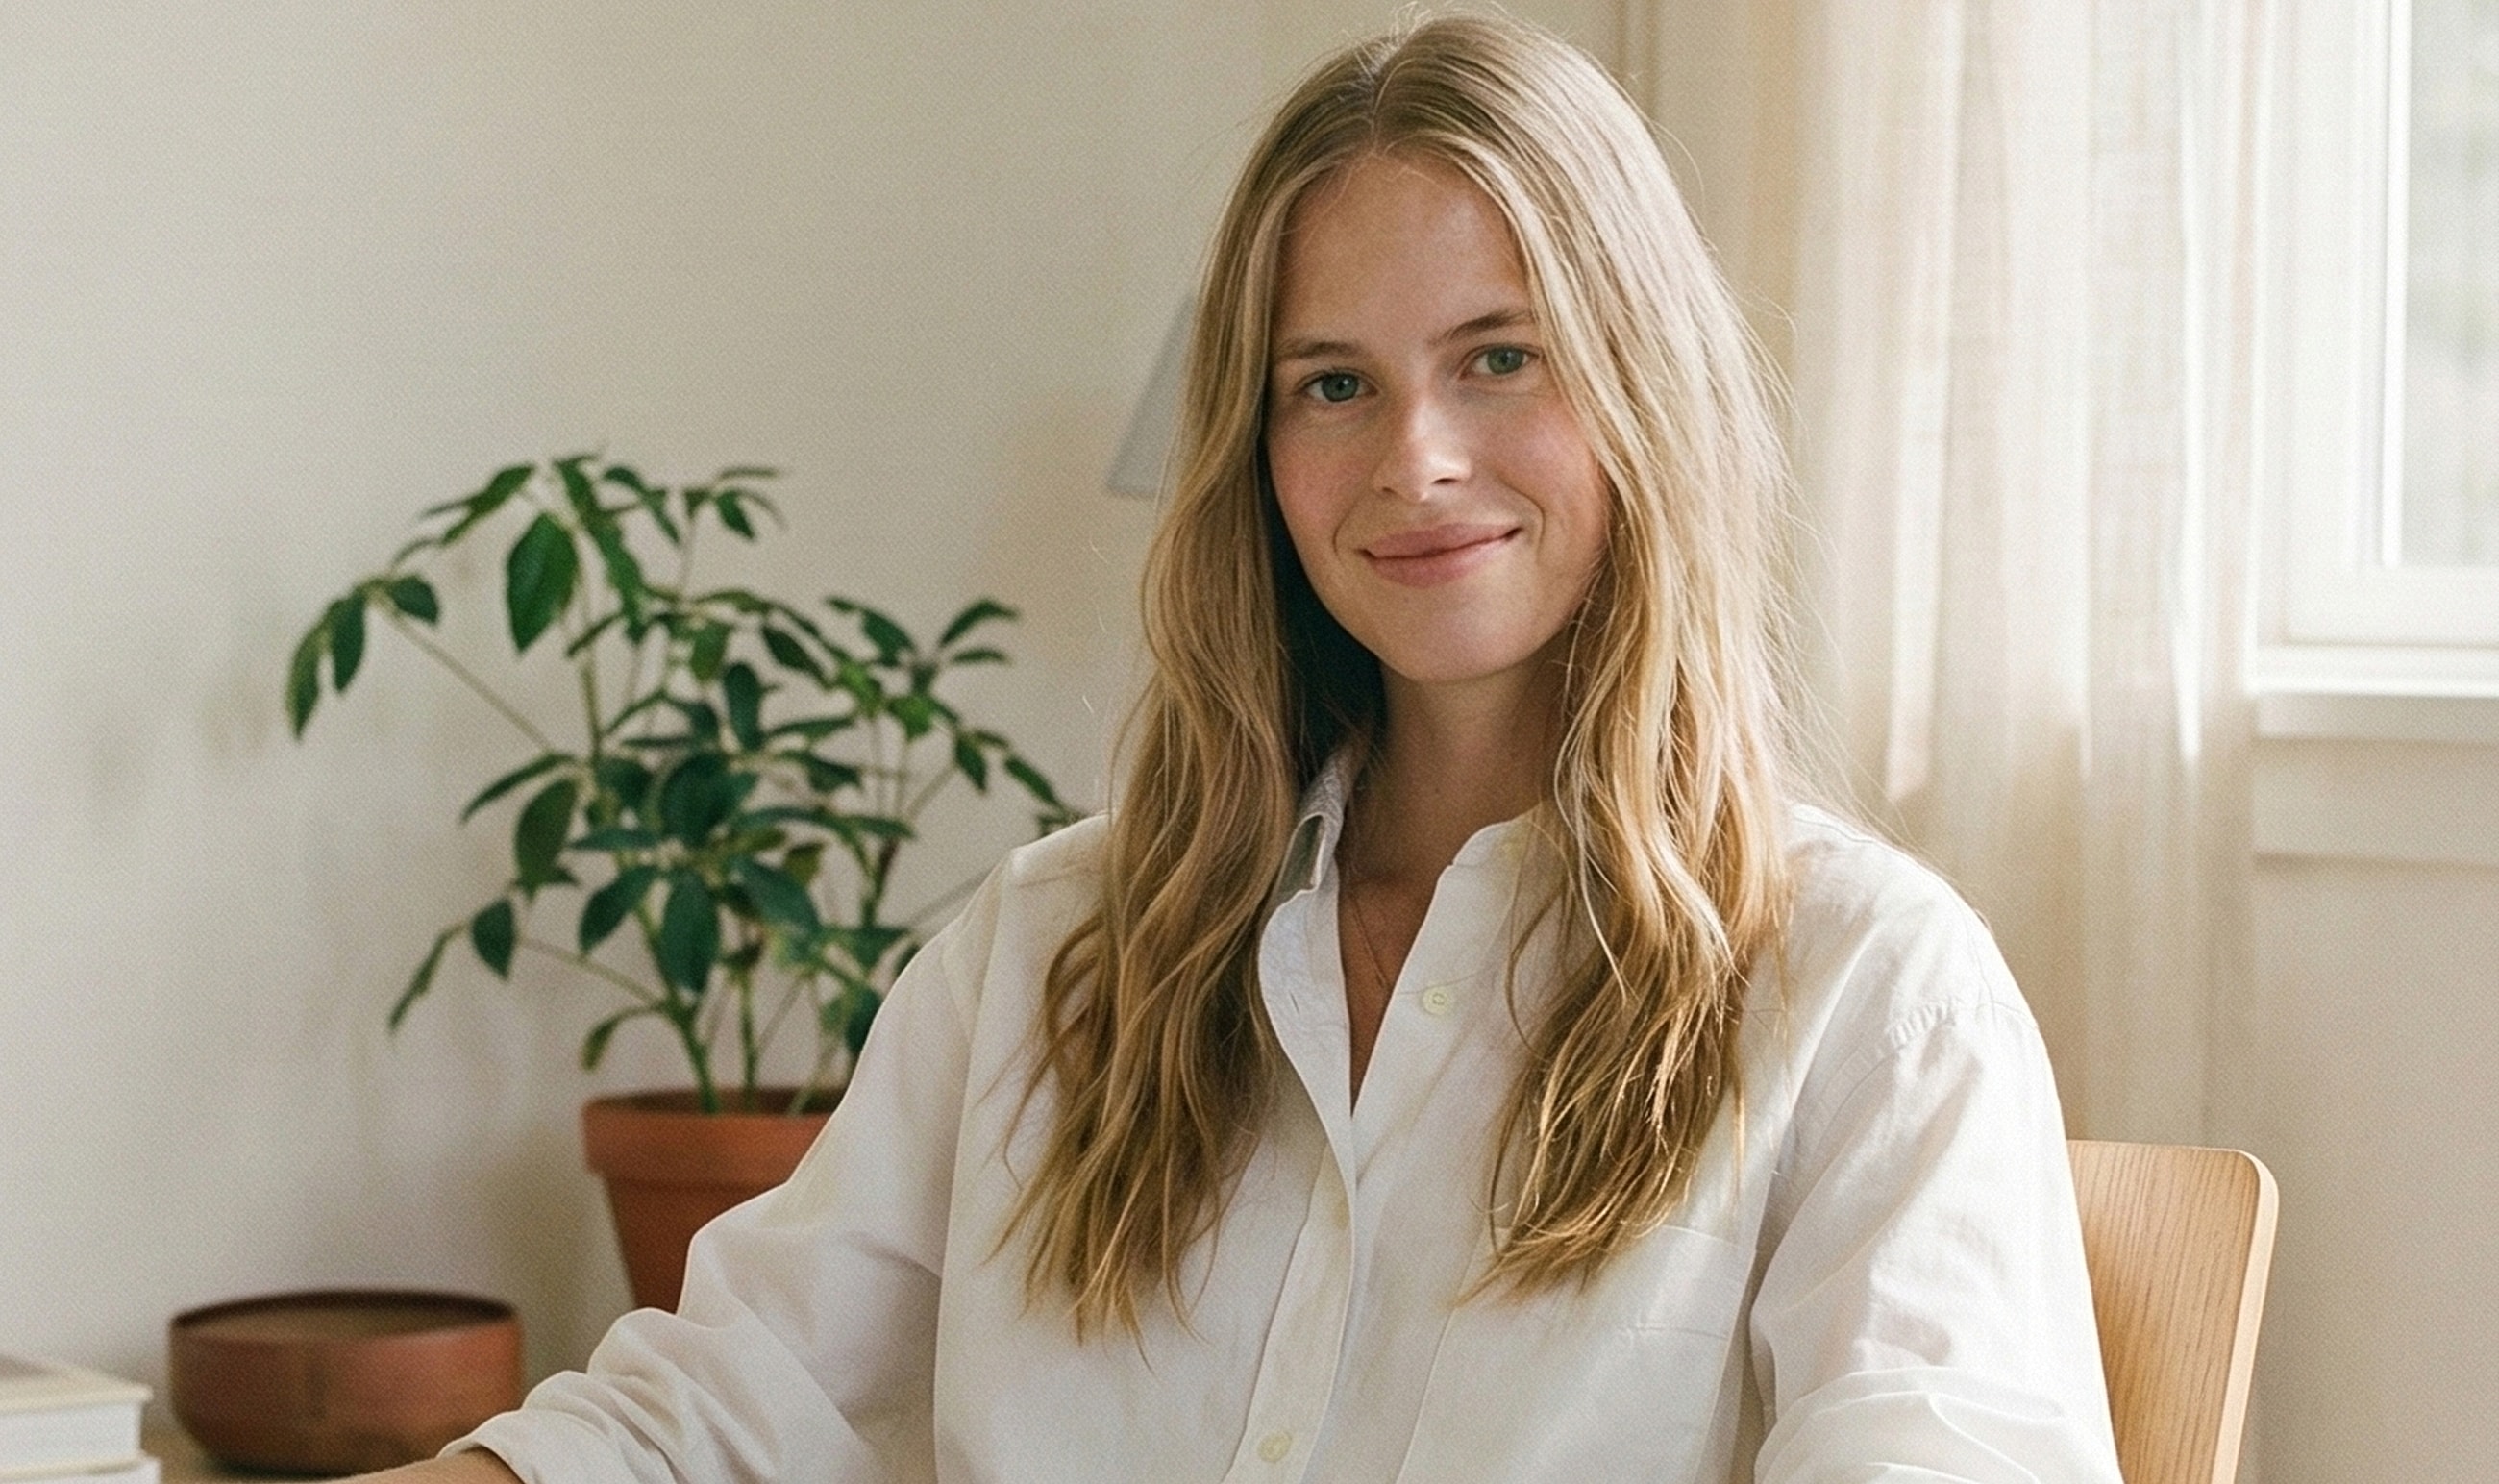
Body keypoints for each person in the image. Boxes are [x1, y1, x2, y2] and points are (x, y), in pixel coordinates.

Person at [370, 14, 2122, 1483]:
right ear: (1259, 450)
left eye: (1499, 357)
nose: (1414, 458)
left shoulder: (1870, 996)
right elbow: (715, 1412)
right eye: (1332, 384)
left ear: (1641, 389)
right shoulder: (1048, 951)